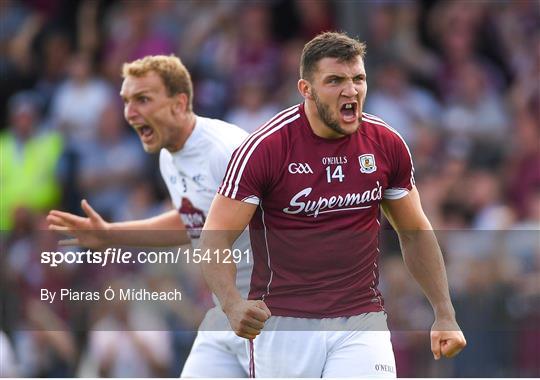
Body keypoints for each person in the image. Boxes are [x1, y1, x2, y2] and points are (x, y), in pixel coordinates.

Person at [200, 32, 467, 377]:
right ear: (306, 89)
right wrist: (232, 304)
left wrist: (444, 313)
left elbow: (414, 233)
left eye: (358, 79)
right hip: (285, 324)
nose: (351, 90)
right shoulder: (264, 148)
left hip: (361, 319)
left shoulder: (386, 144)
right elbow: (214, 239)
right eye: (335, 80)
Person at [47, 55, 254, 377]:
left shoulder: (225, 150)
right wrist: (110, 234)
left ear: (179, 103)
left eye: (143, 99)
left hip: (268, 313)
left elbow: (285, 221)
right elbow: (191, 222)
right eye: (127, 101)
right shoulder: (168, 159)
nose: (130, 113)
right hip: (227, 313)